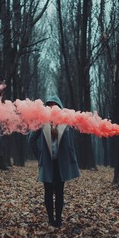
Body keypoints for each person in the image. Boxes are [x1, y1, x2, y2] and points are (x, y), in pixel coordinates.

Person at [28, 95, 80, 228]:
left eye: (54, 105)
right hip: (47, 163)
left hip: (60, 164)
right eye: (49, 105)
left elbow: (71, 144)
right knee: (48, 192)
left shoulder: (66, 122)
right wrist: (39, 156)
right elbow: (31, 140)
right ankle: (51, 218)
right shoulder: (42, 121)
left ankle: (59, 219)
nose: (52, 108)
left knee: (60, 192)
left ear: (59, 107)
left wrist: (71, 159)